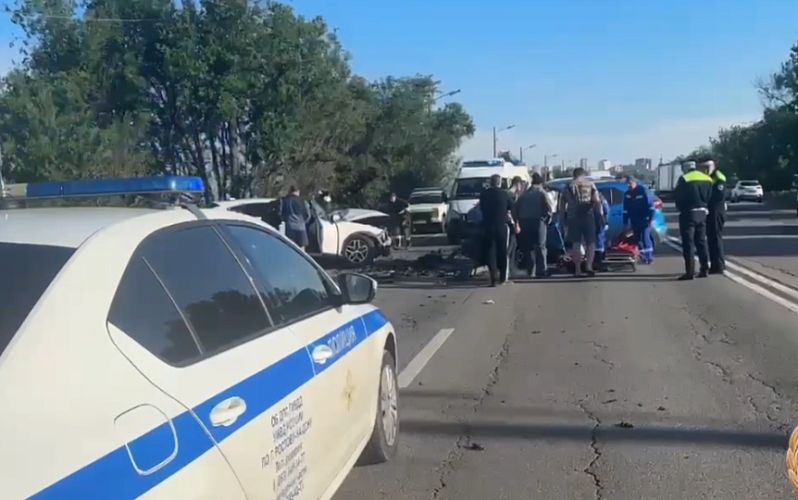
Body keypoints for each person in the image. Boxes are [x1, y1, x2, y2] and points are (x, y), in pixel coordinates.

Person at [674, 160, 713, 280]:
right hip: (703, 212)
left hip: (689, 213)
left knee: (688, 243)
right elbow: (710, 195)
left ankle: (690, 272)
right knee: (701, 242)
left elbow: (679, 196)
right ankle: (704, 269)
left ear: (685, 168)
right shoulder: (707, 178)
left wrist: (680, 208)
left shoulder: (684, 179)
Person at [559, 167, 602, 277]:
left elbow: (562, 204)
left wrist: (562, 218)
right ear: (583, 174)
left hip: (573, 217)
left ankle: (577, 269)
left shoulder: (568, 186)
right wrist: (600, 215)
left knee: (576, 243)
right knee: (590, 242)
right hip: (588, 216)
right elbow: (597, 201)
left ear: (574, 175)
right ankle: (589, 266)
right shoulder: (590, 184)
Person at [479, 174, 514, 286]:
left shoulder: (484, 194)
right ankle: (503, 277)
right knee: (503, 252)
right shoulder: (504, 194)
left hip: (488, 226)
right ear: (500, 183)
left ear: (490, 182)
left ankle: (493, 278)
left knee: (491, 252)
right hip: (502, 226)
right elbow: (511, 207)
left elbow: (481, 208)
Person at [515, 173, 552, 277]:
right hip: (538, 221)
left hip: (524, 221)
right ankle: (542, 270)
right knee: (540, 246)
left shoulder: (524, 194)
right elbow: (549, 206)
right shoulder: (542, 192)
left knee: (528, 247)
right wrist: (549, 218)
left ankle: (530, 270)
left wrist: (518, 220)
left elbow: (517, 207)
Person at [699, 155, 727, 274]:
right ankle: (714, 264)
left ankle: (719, 265)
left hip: (716, 210)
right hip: (710, 210)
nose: (706, 170)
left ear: (714, 166)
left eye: (708, 167)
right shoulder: (708, 178)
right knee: (711, 238)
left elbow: (718, 196)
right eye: (703, 167)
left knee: (716, 237)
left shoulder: (718, 177)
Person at [622, 176, 656, 264]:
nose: (628, 185)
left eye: (630, 183)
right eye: (627, 183)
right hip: (634, 220)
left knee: (645, 238)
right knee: (637, 239)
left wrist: (651, 219)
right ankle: (643, 257)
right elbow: (625, 210)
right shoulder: (628, 194)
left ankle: (649, 257)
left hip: (644, 219)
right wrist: (626, 222)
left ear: (635, 182)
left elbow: (651, 207)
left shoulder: (643, 191)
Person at [281, 185, 310, 250]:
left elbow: (281, 214)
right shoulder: (301, 200)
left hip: (289, 227)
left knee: (290, 247)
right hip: (301, 227)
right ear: (298, 191)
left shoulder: (284, 200)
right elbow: (307, 214)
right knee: (301, 248)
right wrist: (304, 222)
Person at [594, 192, 611, 272]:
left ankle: (599, 261)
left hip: (599, 223)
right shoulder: (600, 200)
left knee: (599, 241)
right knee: (599, 241)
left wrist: (606, 222)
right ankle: (598, 261)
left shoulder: (601, 200)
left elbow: (606, 211)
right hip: (596, 223)